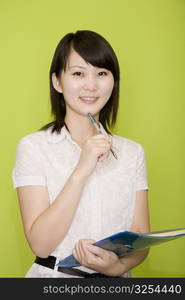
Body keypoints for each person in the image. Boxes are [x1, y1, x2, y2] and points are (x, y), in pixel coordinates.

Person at [12, 30, 150, 278]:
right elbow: (40, 244)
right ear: (57, 82)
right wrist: (82, 168)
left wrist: (116, 267)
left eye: (101, 73)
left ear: (113, 81)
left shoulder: (133, 152)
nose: (91, 85)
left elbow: (140, 236)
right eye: (78, 73)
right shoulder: (34, 148)